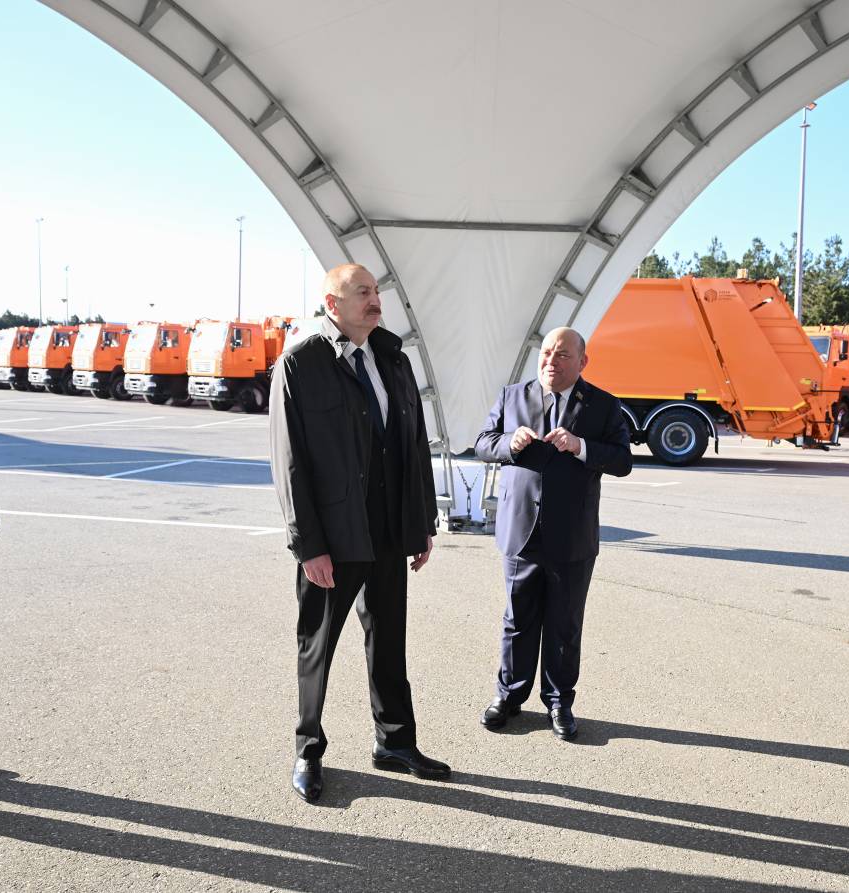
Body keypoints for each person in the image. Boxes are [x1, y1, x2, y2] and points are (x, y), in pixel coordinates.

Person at [269, 262, 448, 803]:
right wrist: (309, 546)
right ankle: (307, 750)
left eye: (376, 292)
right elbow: (290, 462)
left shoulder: (393, 358)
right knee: (318, 645)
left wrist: (421, 523)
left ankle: (395, 743)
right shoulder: (301, 363)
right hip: (335, 535)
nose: (375, 301)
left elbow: (415, 446)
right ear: (332, 303)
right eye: (363, 292)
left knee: (389, 640)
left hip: (390, 532)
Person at [473, 327, 631, 740]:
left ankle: (559, 702)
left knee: (564, 624)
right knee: (517, 619)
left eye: (562, 355)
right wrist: (510, 443)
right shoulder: (512, 396)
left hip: (571, 534)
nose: (551, 361)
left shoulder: (602, 404)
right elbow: (483, 444)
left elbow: (622, 461)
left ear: (582, 361)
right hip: (521, 531)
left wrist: (580, 446)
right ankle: (509, 697)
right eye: (546, 353)